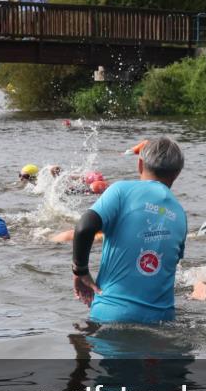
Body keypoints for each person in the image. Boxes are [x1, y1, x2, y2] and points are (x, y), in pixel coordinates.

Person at [71, 137, 187, 324]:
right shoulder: (180, 213)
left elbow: (84, 227)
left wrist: (80, 271)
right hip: (161, 320)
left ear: (140, 163)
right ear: (177, 174)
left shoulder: (120, 191)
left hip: (110, 315)